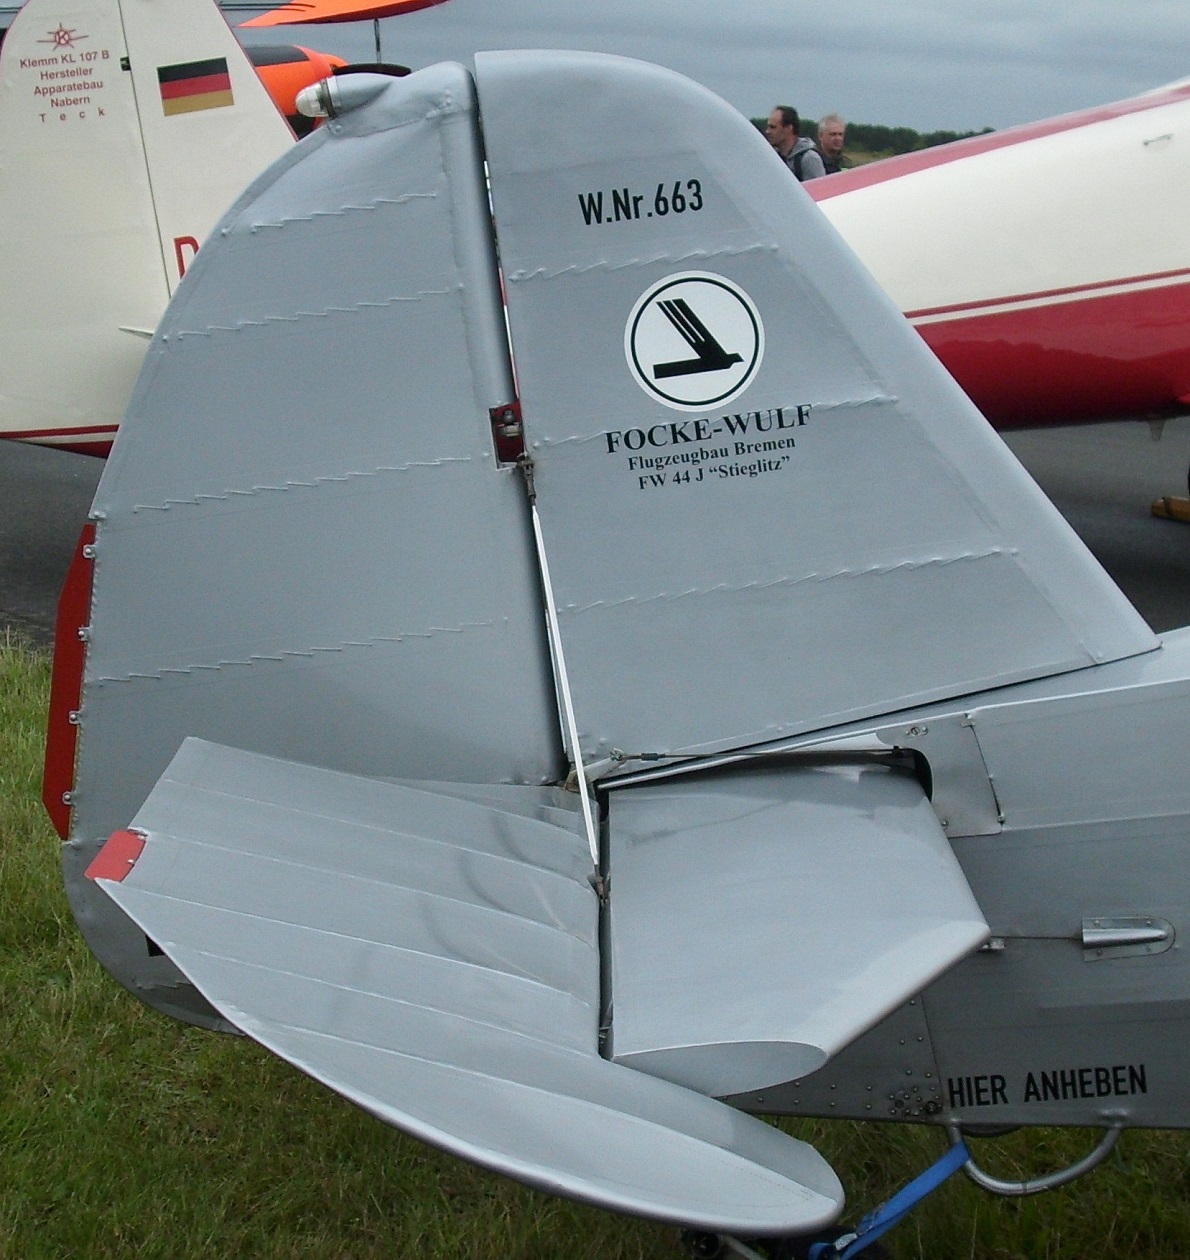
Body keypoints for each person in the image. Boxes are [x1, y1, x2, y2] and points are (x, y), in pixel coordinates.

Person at [765, 105, 826, 182]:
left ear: (789, 128)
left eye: (773, 127)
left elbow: (819, 187)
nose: (767, 131)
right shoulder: (773, 157)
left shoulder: (809, 158)